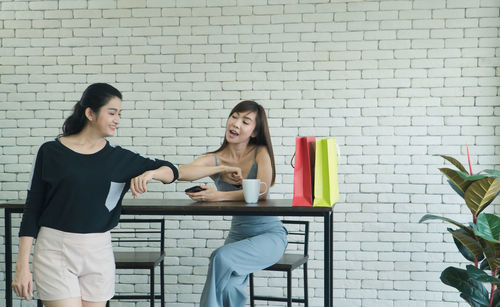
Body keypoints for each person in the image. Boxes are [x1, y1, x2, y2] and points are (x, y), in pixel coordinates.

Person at [11, 83, 178, 307]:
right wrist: (22, 266)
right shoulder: (50, 151)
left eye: (119, 114)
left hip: (99, 251)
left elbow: (171, 171)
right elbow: (32, 210)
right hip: (54, 250)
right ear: (90, 113)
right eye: (112, 112)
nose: (117, 119)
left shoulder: (120, 158)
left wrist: (152, 174)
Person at [178, 100, 288, 307]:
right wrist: (219, 169)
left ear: (254, 131)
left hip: (269, 236)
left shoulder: (260, 152)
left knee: (220, 256)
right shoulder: (216, 158)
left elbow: (262, 190)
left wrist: (218, 196)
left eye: (245, 121)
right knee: (228, 287)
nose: (236, 123)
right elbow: (183, 172)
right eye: (234, 116)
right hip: (238, 237)